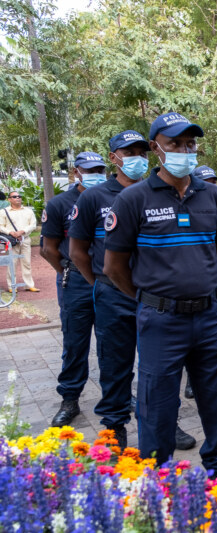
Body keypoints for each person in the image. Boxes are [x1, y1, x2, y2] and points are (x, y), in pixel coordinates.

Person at [103, 112, 217, 482]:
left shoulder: (213, 197)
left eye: (190, 144)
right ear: (155, 148)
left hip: (210, 317)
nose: (184, 151)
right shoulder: (133, 199)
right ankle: (157, 485)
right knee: (157, 407)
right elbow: (114, 267)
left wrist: (201, 287)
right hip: (160, 321)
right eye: (175, 144)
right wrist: (151, 298)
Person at [68, 131, 147, 449]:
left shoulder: (156, 193)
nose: (137, 158)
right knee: (116, 365)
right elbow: (77, 252)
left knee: (157, 365)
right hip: (113, 294)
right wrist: (100, 283)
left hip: (153, 293)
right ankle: (114, 431)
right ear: (113, 157)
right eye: (129, 152)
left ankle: (155, 421)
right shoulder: (94, 197)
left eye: (142, 151)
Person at [41, 152, 104, 427]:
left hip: (108, 279)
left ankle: (120, 397)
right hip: (75, 281)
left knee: (114, 343)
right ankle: (70, 399)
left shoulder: (115, 198)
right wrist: (67, 272)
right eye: (90, 170)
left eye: (100, 168)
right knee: (75, 343)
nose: (96, 174)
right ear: (76, 172)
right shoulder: (59, 204)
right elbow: (48, 249)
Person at [1, 190, 38, 292]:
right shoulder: (4, 212)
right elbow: (0, 226)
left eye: (19, 196)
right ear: (9, 199)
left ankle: (29, 285)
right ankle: (12, 286)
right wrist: (11, 232)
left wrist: (23, 231)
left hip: (25, 239)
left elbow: (33, 225)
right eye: (14, 196)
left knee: (27, 262)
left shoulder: (28, 211)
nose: (18, 198)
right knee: (12, 263)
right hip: (11, 241)